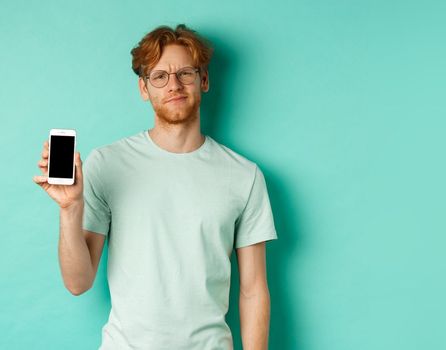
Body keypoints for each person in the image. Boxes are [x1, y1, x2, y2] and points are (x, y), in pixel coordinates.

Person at [32, 24, 277, 350]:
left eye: (185, 74)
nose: (173, 85)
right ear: (144, 88)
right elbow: (78, 282)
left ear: (203, 81)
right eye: (159, 76)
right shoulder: (108, 162)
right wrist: (69, 208)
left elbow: (253, 288)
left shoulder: (244, 175)